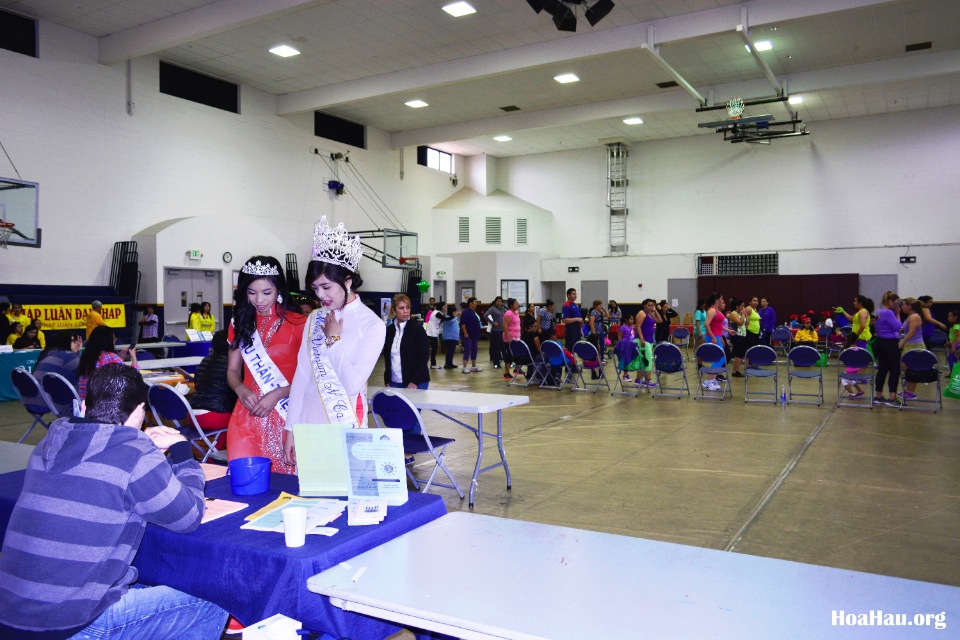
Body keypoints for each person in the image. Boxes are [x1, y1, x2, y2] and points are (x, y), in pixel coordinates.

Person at [0, 364, 228, 640]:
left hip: (12, 613)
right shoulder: (136, 453)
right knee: (217, 600)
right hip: (70, 623)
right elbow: (189, 517)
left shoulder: (50, 441)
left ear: (84, 405)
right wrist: (181, 449)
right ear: (139, 411)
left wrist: (141, 444)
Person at [283, 218, 385, 468]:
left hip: (342, 421)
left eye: (326, 287)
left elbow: (352, 384)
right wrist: (290, 428)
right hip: (308, 419)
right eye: (315, 288)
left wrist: (333, 339)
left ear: (347, 280)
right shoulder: (314, 318)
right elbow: (302, 376)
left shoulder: (372, 325)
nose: (320, 295)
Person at [226, 255, 305, 475]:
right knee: (244, 484)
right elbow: (232, 371)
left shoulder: (299, 323)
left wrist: (278, 393)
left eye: (266, 292)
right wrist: (240, 388)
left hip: (286, 417)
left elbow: (309, 377)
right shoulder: (239, 323)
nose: (259, 299)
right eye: (251, 293)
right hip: (246, 416)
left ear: (279, 290)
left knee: (284, 491)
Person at [190, 329, 237, 432]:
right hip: (215, 415)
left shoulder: (205, 360)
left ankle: (215, 448)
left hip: (193, 415)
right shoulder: (233, 365)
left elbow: (197, 384)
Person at [383, 293, 430, 389]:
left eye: (408, 308)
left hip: (416, 383)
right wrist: (387, 378)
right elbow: (388, 357)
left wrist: (414, 381)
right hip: (395, 382)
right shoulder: (390, 331)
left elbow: (423, 357)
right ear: (394, 311)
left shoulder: (417, 329)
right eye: (401, 308)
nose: (405, 311)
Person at [78, 325, 137, 399]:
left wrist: (119, 357)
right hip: (103, 405)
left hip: (84, 404)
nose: (115, 341)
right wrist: (134, 357)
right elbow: (133, 377)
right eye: (114, 339)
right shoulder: (111, 357)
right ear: (108, 341)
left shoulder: (87, 356)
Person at [872, 291, 902, 406]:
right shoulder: (889, 312)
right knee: (894, 370)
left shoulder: (879, 312)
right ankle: (892, 397)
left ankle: (878, 396)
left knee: (882, 369)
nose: (897, 305)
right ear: (891, 302)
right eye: (896, 302)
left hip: (880, 343)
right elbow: (898, 327)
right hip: (889, 343)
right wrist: (898, 314)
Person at [897, 297, 926, 401]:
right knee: (906, 368)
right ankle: (908, 391)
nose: (902, 307)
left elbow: (912, 332)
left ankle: (911, 392)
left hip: (915, 345)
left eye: (904, 305)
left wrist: (902, 342)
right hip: (910, 345)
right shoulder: (910, 316)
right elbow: (906, 329)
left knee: (911, 369)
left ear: (909, 306)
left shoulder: (914, 317)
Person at [634, 299, 660, 388]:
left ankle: (638, 379)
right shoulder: (642, 313)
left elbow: (659, 320)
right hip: (643, 340)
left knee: (643, 360)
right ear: (644, 305)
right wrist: (641, 339)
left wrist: (655, 310)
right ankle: (648, 380)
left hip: (649, 340)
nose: (651, 307)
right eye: (649, 305)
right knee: (647, 360)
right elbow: (638, 326)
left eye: (652, 305)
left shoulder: (650, 314)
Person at [702, 292, 725, 391]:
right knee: (721, 358)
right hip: (713, 337)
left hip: (717, 336)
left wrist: (727, 331)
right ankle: (708, 380)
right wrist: (713, 337)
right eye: (721, 298)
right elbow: (706, 324)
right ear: (717, 300)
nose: (722, 300)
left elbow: (718, 325)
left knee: (719, 359)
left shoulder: (716, 310)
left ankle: (713, 379)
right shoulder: (712, 310)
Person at [459, 297, 482, 373]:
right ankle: (464, 367)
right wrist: (465, 332)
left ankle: (473, 366)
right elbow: (462, 323)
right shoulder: (466, 312)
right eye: (474, 302)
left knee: (474, 349)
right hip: (468, 335)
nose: (476, 303)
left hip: (475, 334)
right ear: (470, 303)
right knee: (468, 349)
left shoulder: (474, 312)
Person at [840, 332, 866, 398]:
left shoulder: (847, 350)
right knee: (850, 380)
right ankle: (860, 391)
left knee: (843, 380)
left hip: (850, 368)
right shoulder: (858, 349)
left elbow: (842, 359)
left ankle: (852, 394)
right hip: (857, 368)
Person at [502, 298, 521, 379]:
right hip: (510, 337)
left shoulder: (516, 313)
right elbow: (505, 325)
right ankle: (506, 372)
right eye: (516, 304)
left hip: (516, 337)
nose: (518, 305)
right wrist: (509, 337)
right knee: (509, 354)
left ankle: (517, 369)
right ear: (511, 305)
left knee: (516, 354)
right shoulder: (508, 313)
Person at [484, 296, 505, 369]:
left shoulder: (502, 309)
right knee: (496, 347)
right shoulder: (492, 309)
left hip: (502, 330)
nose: (499, 302)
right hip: (495, 331)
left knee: (503, 347)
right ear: (495, 302)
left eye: (500, 301)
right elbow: (485, 315)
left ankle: (506, 362)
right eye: (497, 301)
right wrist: (493, 322)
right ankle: (496, 363)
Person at [561, 288, 583, 353]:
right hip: (571, 329)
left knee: (577, 346)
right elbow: (564, 320)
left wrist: (580, 329)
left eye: (575, 294)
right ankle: (571, 361)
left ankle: (574, 361)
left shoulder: (575, 305)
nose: (575, 295)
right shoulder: (566, 305)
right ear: (568, 295)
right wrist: (577, 319)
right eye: (573, 294)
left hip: (577, 328)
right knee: (570, 347)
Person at [441, 303, 461, 369]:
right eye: (454, 312)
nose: (455, 313)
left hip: (453, 337)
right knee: (449, 351)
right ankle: (447, 364)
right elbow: (451, 321)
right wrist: (456, 316)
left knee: (452, 351)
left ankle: (450, 363)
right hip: (449, 337)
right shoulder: (447, 317)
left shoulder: (454, 318)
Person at [424, 300, 443, 369]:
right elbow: (426, 319)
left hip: (432, 331)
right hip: (431, 332)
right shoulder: (434, 312)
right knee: (433, 349)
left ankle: (432, 363)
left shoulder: (435, 312)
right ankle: (432, 364)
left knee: (432, 349)